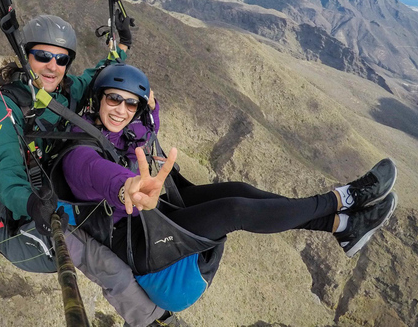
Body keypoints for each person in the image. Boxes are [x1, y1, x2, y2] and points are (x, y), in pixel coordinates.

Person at [61, 63, 398, 314]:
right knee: (234, 211)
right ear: (97, 100)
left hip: (153, 216)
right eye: (113, 100)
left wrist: (153, 108)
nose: (121, 109)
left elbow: (146, 129)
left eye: (130, 103)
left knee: (239, 189)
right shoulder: (79, 157)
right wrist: (129, 187)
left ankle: (342, 226)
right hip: (139, 245)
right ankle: (345, 197)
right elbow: (102, 175)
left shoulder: (121, 130)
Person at [0, 14, 168, 326]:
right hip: (26, 219)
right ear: (25, 57)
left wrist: (121, 47)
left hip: (57, 192)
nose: (52, 66)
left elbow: (100, 74)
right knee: (109, 267)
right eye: (42, 56)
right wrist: (31, 203)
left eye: (61, 58)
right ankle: (153, 320)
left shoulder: (65, 92)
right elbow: (5, 169)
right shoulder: (8, 106)